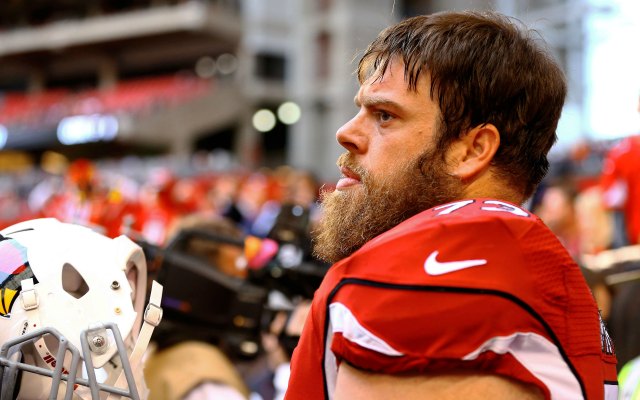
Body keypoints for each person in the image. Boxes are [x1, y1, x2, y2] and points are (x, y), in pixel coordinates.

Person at [285, 10, 618, 400]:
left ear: (472, 149)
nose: (346, 133)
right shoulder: (516, 254)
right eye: (360, 109)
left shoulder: (438, 263)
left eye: (385, 115)